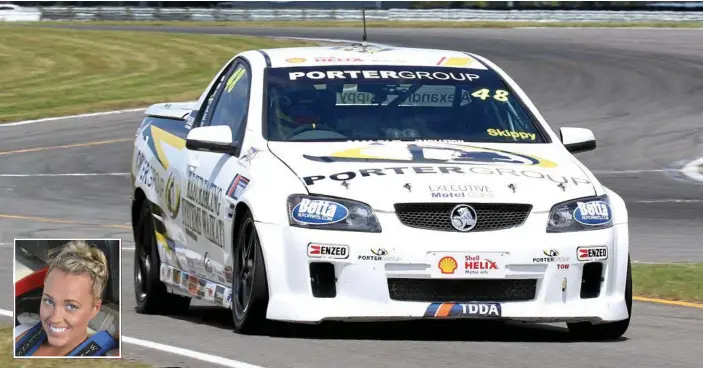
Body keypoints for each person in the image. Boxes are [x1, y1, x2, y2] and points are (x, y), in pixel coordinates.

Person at [14, 240, 119, 357]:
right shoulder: (18, 334)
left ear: (94, 309)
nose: (55, 318)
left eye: (71, 306)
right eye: (49, 301)